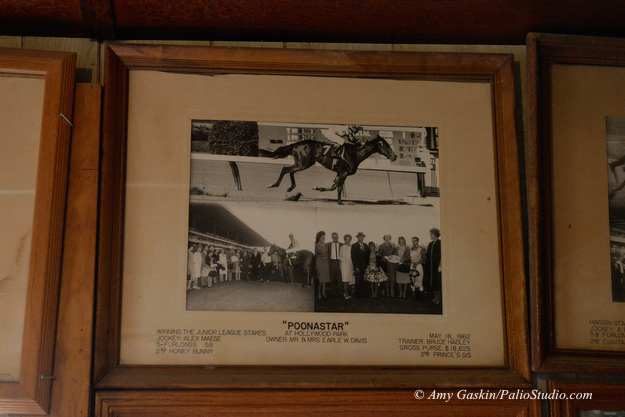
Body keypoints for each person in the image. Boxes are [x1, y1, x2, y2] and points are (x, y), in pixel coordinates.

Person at [424, 228, 442, 304]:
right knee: (433, 282)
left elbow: (442, 255)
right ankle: (435, 297)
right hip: (430, 266)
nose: (430, 235)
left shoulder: (440, 243)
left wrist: (440, 265)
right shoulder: (430, 244)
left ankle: (439, 298)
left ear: (435, 235)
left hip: (437, 266)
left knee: (437, 282)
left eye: (431, 234)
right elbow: (427, 255)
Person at [351, 231, 370, 298]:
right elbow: (353, 257)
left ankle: (363, 293)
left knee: (364, 280)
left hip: (364, 266)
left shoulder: (365, 245)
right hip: (358, 266)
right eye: (360, 237)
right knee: (358, 280)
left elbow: (368, 256)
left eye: (362, 237)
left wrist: (367, 265)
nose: (361, 238)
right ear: (357, 238)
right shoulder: (354, 245)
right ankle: (357, 294)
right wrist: (356, 267)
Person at [315, 231, 330, 298]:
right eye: (322, 237)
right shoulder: (316, 245)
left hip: (325, 263)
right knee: (320, 279)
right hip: (319, 263)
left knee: (325, 278)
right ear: (319, 237)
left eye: (324, 236)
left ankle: (323, 292)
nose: (323, 238)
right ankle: (319, 293)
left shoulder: (326, 245)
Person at [327, 232, 343, 296]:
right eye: (334, 237)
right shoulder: (328, 245)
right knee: (332, 278)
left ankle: (340, 292)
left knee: (339, 278)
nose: (335, 238)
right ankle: (333, 292)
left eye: (336, 237)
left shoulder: (341, 244)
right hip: (332, 262)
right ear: (332, 237)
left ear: (338, 237)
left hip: (339, 262)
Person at [339, 234, 354, 299]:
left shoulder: (351, 247)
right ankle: (346, 294)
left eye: (349, 239)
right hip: (344, 265)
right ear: (344, 240)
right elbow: (340, 257)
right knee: (345, 280)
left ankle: (346, 293)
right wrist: (340, 266)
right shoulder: (342, 247)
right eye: (346, 239)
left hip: (350, 264)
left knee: (348, 280)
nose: (348, 241)